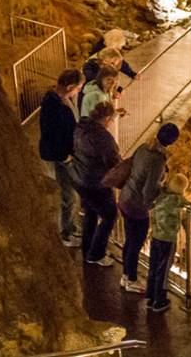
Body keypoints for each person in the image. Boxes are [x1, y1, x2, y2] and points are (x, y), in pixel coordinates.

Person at [118, 123, 181, 293]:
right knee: (136, 243)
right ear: (172, 141)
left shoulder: (144, 147)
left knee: (130, 241)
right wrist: (155, 203)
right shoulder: (157, 160)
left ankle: (125, 275)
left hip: (125, 197)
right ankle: (131, 280)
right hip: (136, 206)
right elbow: (149, 189)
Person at [37, 70, 84, 247]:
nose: (79, 91)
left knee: (70, 194)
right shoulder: (53, 106)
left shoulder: (60, 100)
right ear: (70, 87)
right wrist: (65, 157)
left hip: (62, 154)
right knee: (67, 195)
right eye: (78, 88)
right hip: (58, 156)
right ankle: (64, 234)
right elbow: (53, 135)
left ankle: (70, 227)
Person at [71, 102, 121, 266]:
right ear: (106, 119)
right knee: (110, 215)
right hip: (95, 183)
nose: (111, 123)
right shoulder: (103, 138)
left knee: (91, 214)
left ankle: (88, 250)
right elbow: (114, 162)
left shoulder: (81, 127)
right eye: (111, 120)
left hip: (79, 178)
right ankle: (96, 254)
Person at [145, 173, 188, 312]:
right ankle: (159, 300)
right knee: (163, 270)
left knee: (153, 266)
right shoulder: (177, 200)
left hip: (156, 236)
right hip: (168, 240)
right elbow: (188, 204)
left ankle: (150, 297)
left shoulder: (161, 195)